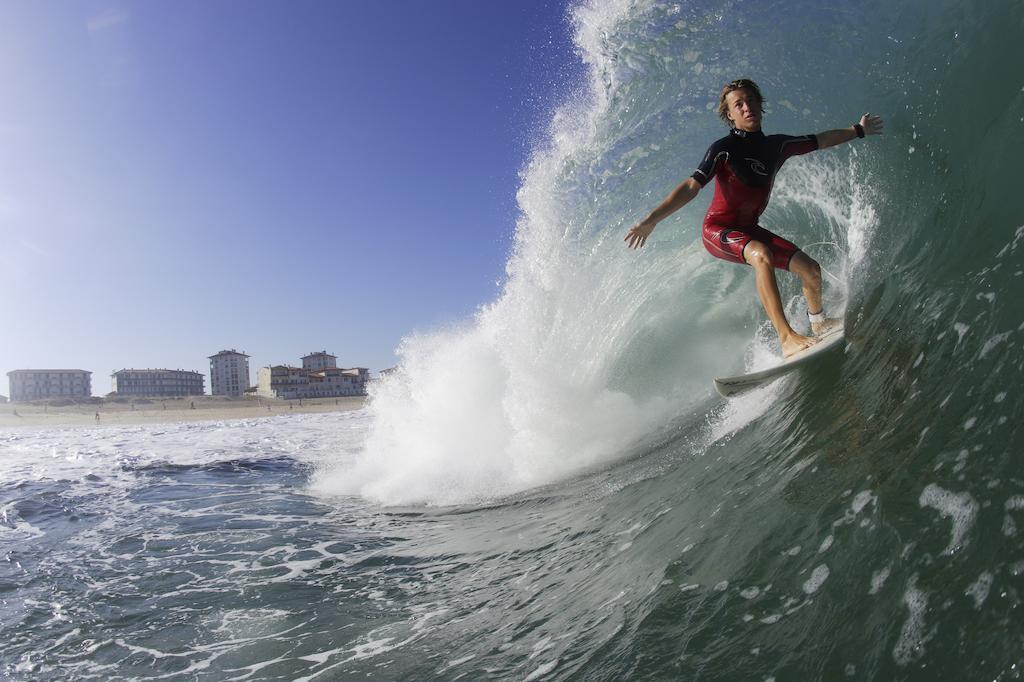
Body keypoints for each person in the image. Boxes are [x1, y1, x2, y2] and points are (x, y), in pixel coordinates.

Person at [625, 78, 883, 357]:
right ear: (730, 115)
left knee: (811, 269)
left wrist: (857, 130)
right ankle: (787, 338)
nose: (747, 107)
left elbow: (820, 140)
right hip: (718, 230)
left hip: (749, 228)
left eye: (751, 100)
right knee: (761, 255)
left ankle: (818, 324)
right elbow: (691, 186)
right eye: (739, 104)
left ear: (760, 105)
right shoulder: (723, 149)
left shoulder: (778, 146)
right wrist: (652, 219)